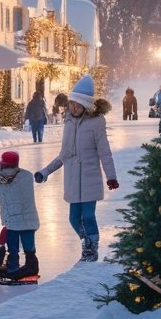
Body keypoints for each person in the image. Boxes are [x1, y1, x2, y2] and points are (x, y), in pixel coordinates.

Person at [36, 75, 119, 263]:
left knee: (88, 216)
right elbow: (64, 154)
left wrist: (111, 177)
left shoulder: (97, 122)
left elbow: (105, 152)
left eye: (78, 105)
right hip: (73, 179)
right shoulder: (69, 121)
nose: (73, 108)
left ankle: (92, 248)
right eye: (72, 104)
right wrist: (44, 172)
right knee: (74, 219)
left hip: (90, 178)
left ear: (86, 106)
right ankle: (86, 241)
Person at [0, 150, 40, 283]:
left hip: (12, 221)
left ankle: (12, 267)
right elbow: (9, 176)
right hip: (29, 220)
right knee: (28, 247)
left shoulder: (0, 181)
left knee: (13, 246)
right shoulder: (27, 176)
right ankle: (28, 267)